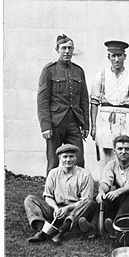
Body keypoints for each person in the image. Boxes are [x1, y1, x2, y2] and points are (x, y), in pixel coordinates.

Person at [37, 34, 89, 174]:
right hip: (55, 123)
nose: (67, 51)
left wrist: (85, 124)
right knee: (53, 160)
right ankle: (50, 193)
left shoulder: (78, 71)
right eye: (64, 48)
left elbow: (84, 99)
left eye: (70, 48)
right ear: (57, 50)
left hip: (73, 122)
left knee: (78, 159)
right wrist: (45, 126)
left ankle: (79, 191)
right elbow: (42, 101)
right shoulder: (49, 70)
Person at [23, 144, 96, 244]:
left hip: (74, 211)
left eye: (71, 156)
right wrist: (55, 208)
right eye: (65, 157)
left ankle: (61, 231)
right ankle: (43, 230)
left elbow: (85, 200)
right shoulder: (53, 173)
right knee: (30, 199)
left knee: (89, 202)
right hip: (55, 210)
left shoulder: (85, 175)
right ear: (59, 158)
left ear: (76, 158)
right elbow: (48, 196)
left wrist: (67, 209)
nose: (68, 160)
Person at [90, 40, 129, 168]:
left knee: (125, 150)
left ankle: (125, 183)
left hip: (125, 118)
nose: (117, 59)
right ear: (109, 57)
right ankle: (108, 180)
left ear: (125, 56)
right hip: (106, 118)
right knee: (107, 151)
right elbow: (94, 102)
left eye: (120, 55)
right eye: (113, 56)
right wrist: (94, 125)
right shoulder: (100, 77)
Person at [96, 135, 129, 236]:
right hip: (120, 197)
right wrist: (101, 191)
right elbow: (105, 182)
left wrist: (118, 191)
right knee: (104, 197)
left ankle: (116, 226)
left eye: (127, 149)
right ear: (114, 151)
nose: (123, 152)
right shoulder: (111, 164)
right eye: (120, 149)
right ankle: (106, 224)